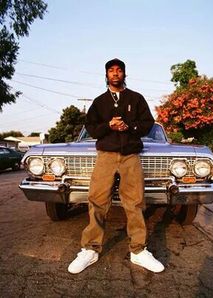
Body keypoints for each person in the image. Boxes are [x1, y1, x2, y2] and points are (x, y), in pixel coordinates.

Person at [68, 58, 164, 274]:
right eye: (111, 71)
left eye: (119, 70)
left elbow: (148, 124)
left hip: (130, 155)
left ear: (124, 74)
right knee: (97, 200)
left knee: (135, 202)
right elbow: (91, 127)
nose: (115, 74)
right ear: (106, 75)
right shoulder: (99, 102)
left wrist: (129, 126)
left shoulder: (136, 98)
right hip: (106, 155)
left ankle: (138, 251)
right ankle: (90, 249)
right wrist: (108, 125)